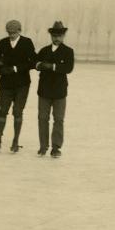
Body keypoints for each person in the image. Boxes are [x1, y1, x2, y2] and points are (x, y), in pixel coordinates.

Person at [0, 20, 37, 153]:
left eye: (14, 32)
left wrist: (15, 68)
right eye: (9, 33)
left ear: (20, 30)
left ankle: (15, 141)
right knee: (2, 111)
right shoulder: (3, 43)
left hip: (22, 84)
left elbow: (33, 62)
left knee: (17, 112)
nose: (12, 35)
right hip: (6, 85)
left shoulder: (27, 42)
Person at [35, 21, 75, 158]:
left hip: (59, 92)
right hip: (44, 91)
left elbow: (68, 68)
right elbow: (35, 62)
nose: (57, 38)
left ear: (64, 36)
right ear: (51, 36)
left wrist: (52, 66)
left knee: (58, 119)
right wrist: (39, 65)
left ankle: (56, 147)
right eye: (54, 35)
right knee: (42, 118)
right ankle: (43, 146)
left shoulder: (68, 52)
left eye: (60, 35)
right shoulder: (44, 50)